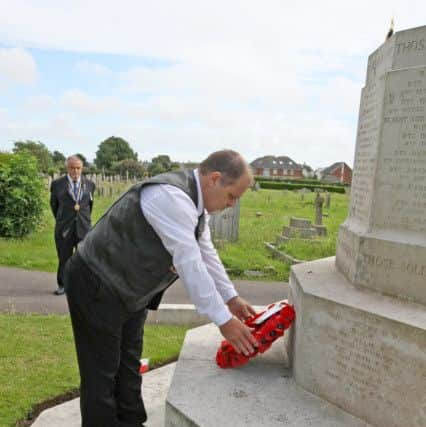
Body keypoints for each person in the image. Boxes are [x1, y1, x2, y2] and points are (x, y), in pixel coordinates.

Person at [63, 149, 259, 427]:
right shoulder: (171, 197)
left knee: (128, 365)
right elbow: (189, 261)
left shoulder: (197, 207)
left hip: (130, 292)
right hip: (96, 281)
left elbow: (206, 253)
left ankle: (132, 422)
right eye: (232, 196)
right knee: (101, 373)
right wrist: (224, 320)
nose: (232, 204)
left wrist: (231, 298)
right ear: (215, 179)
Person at [50, 155, 95, 295]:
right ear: (67, 168)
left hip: (84, 228)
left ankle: (83, 286)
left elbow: (89, 206)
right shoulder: (57, 184)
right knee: (64, 258)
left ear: (82, 168)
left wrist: (82, 219)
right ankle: (62, 285)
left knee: (84, 259)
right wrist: (63, 220)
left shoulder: (90, 185)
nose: (75, 171)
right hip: (64, 228)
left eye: (78, 168)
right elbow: (54, 206)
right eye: (72, 168)